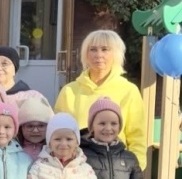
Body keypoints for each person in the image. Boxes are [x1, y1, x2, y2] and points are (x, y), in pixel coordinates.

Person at [54, 30, 146, 169]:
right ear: (85, 54)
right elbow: (57, 132)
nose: (99, 55)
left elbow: (137, 137)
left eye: (105, 49)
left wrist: (135, 169)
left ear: (116, 54)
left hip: (117, 169)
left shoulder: (129, 90)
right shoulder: (69, 91)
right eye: (93, 49)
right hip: (77, 170)